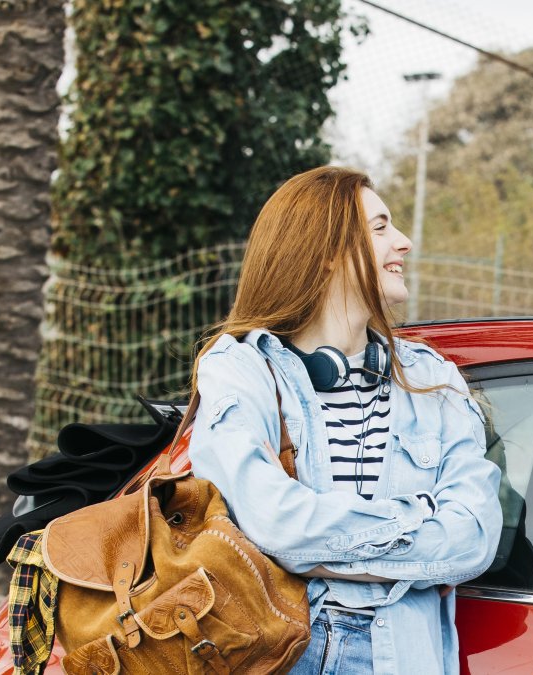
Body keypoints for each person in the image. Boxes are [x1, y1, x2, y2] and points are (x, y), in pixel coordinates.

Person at [185, 166, 502, 674]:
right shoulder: (243, 368)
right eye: (380, 228)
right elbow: (274, 523)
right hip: (283, 654)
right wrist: (418, 520)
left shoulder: (433, 379)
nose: (404, 242)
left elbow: (472, 539)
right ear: (326, 250)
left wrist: (317, 538)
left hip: (402, 656)